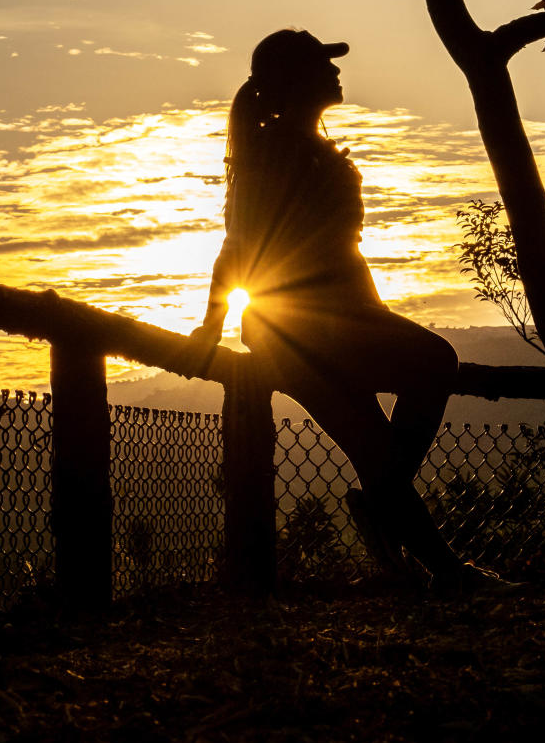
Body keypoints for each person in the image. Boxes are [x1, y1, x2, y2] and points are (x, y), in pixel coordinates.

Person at [191, 29, 501, 592]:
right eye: (321, 65)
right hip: (306, 328)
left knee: (378, 450)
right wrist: (210, 325)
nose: (335, 72)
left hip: (326, 322)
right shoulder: (280, 151)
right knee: (434, 363)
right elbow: (240, 245)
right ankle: (433, 556)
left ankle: (444, 570)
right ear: (294, 79)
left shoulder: (299, 146)